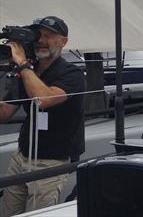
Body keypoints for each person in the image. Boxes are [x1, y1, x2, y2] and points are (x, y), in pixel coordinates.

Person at [0, 16, 86, 215]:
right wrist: (22, 67)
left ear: (63, 41)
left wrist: (22, 64)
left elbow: (44, 99)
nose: (40, 40)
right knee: (9, 212)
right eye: (38, 35)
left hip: (52, 162)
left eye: (48, 36)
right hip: (22, 157)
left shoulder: (72, 74)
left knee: (39, 214)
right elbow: (5, 112)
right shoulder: (29, 71)